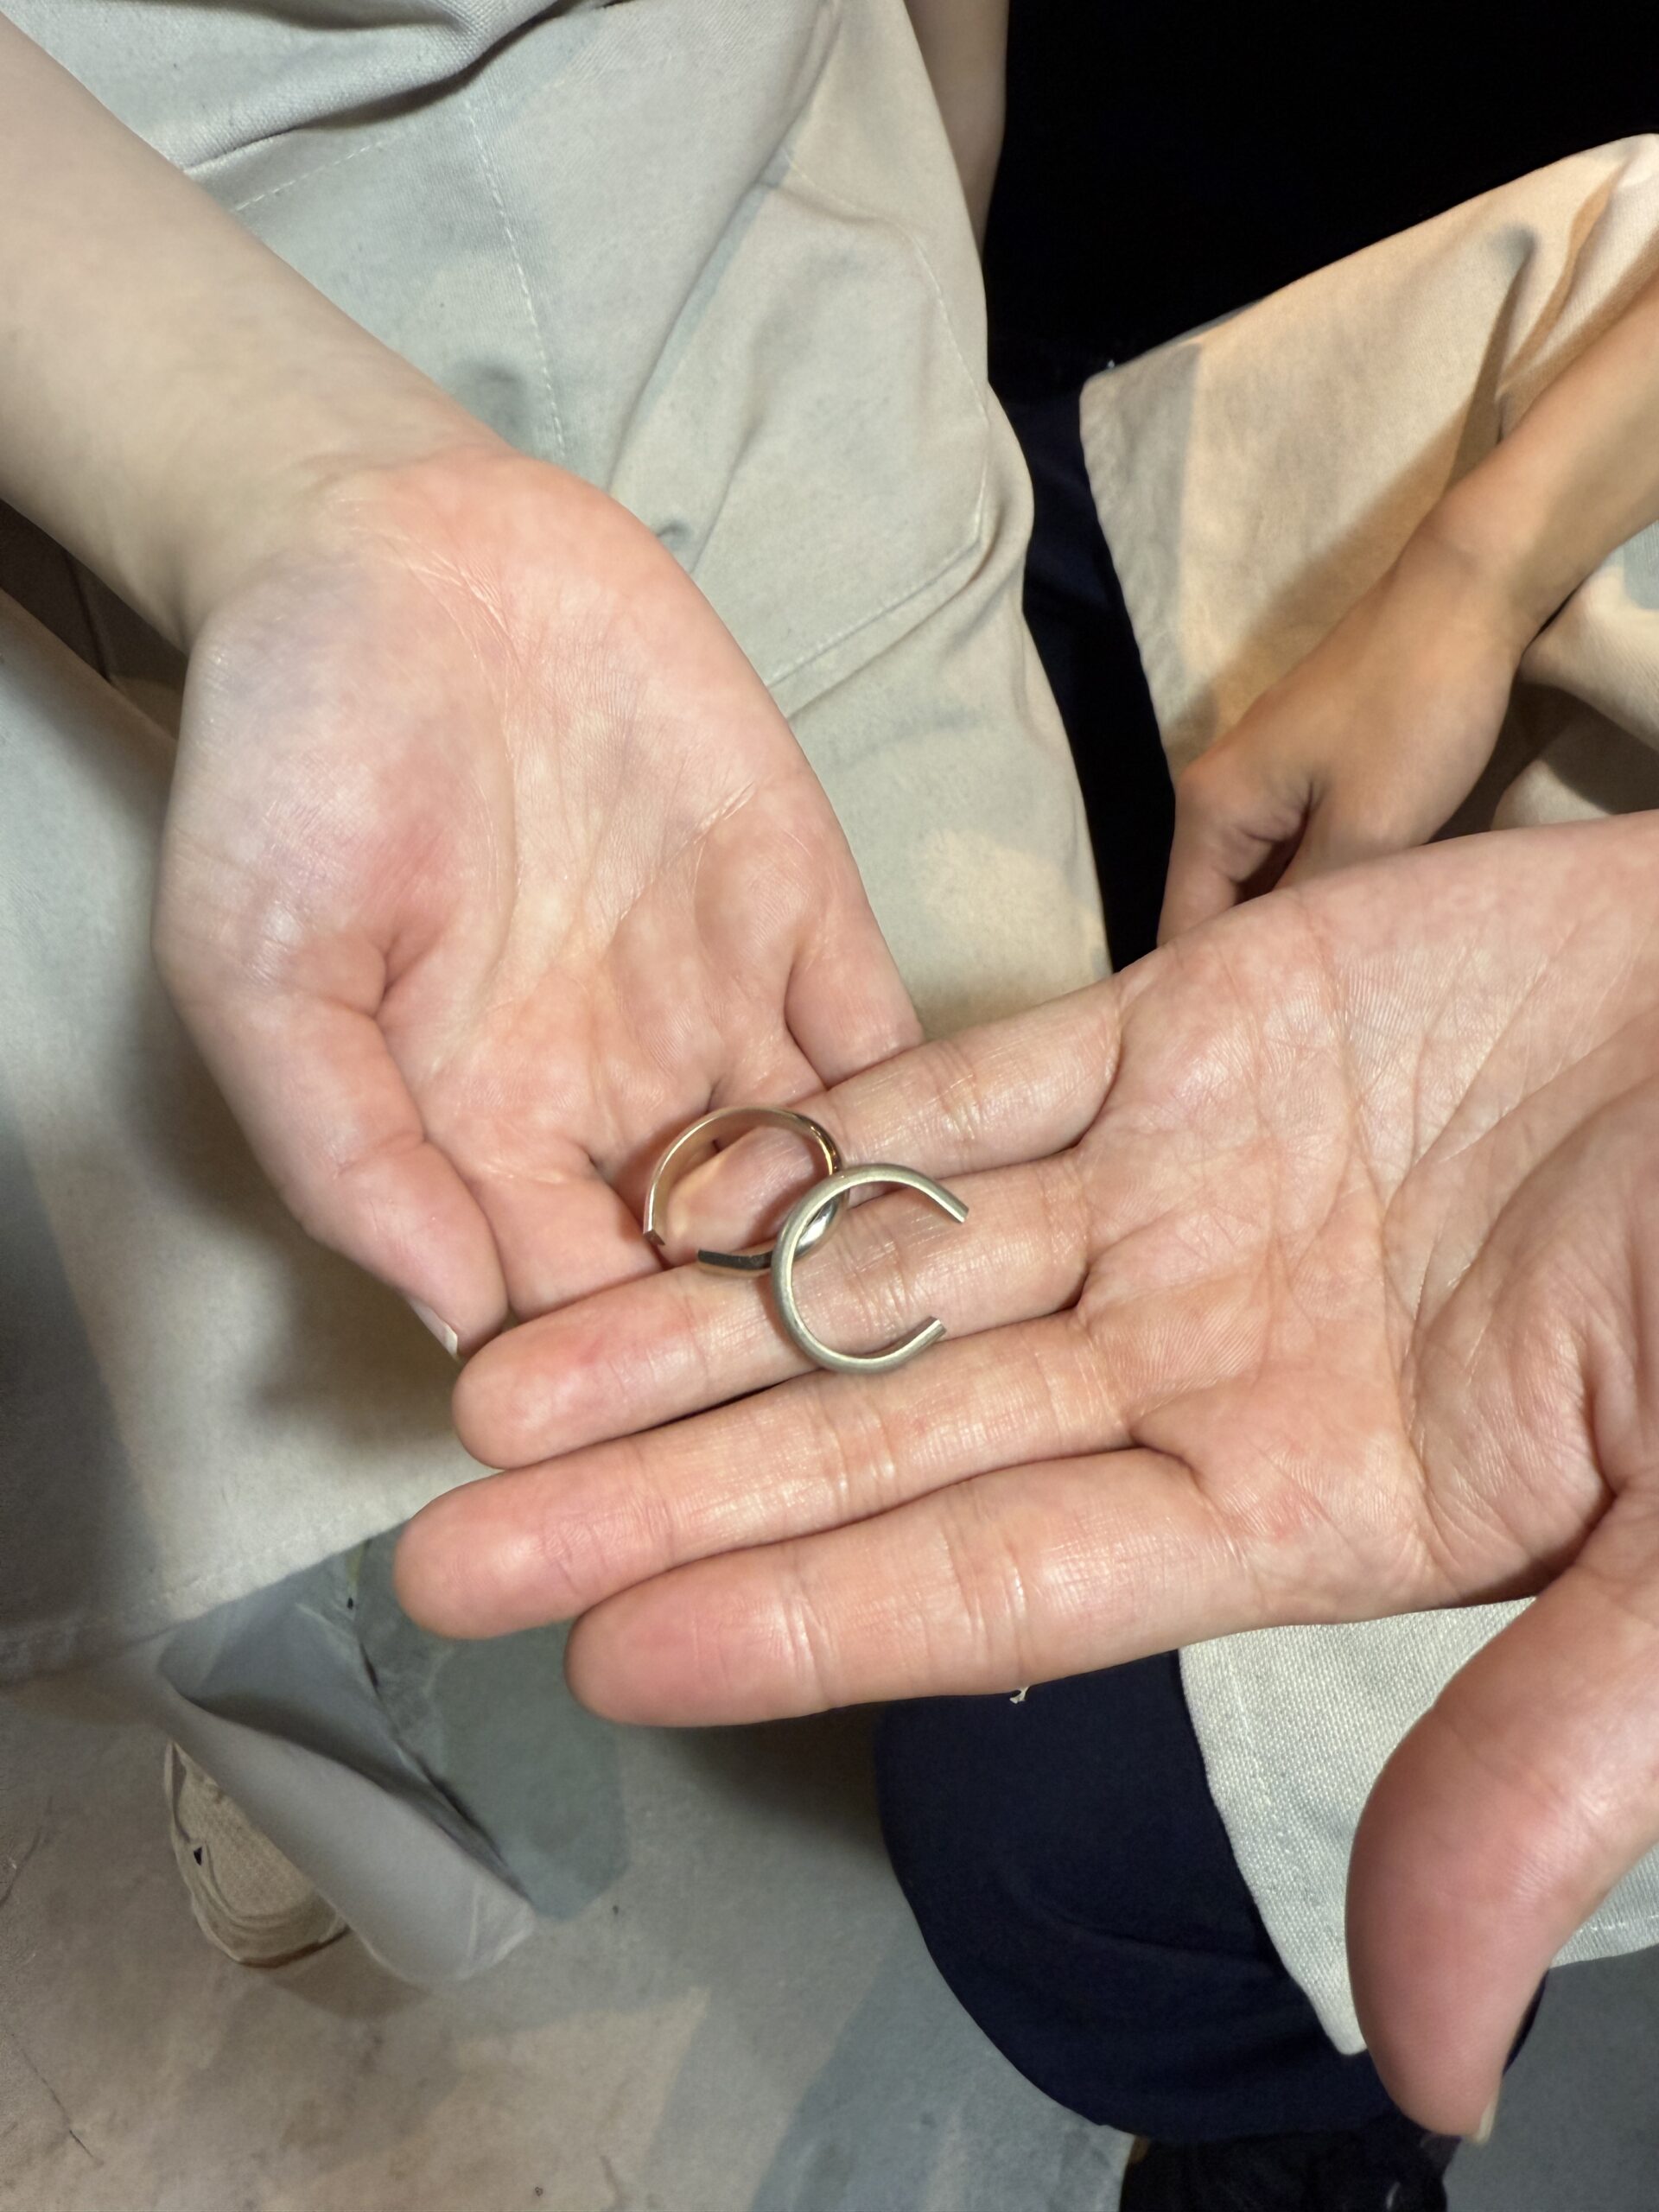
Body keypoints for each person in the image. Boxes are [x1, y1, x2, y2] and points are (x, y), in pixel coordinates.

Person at [4, 8, 1659, 2211]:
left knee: (987, 1694)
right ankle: (337, 1678)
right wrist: (291, 484)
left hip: (755, 250)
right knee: (193, 1404)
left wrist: (933, 204)